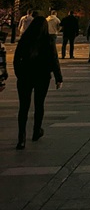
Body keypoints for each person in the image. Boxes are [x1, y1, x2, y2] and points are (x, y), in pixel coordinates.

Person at [13, 15, 63, 149]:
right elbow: (54, 59)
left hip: (25, 76)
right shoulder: (48, 40)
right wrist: (59, 78)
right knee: (39, 105)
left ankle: (21, 138)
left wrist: (19, 74)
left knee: (23, 107)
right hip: (42, 76)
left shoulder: (24, 39)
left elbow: (16, 59)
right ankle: (36, 131)